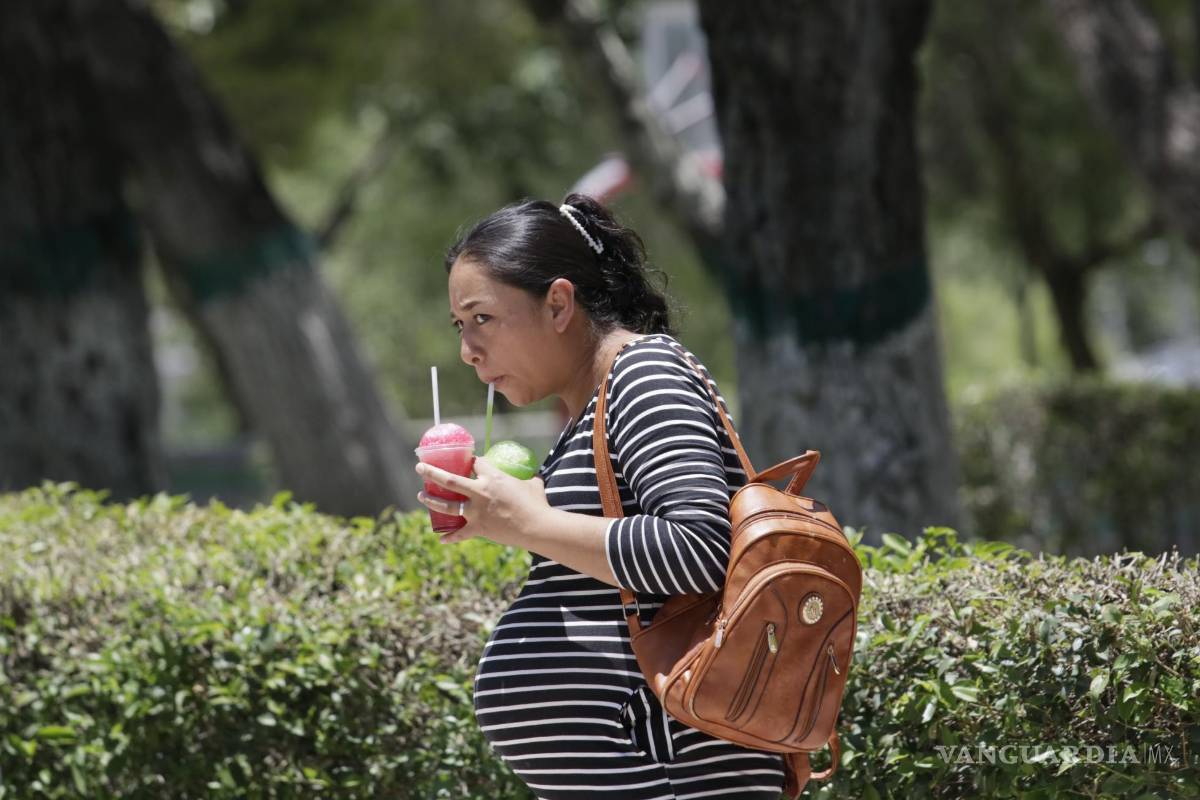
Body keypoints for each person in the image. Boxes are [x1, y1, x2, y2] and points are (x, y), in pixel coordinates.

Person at [415, 193, 786, 799]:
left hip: (677, 774)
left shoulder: (646, 374)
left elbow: (699, 548)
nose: (467, 349)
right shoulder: (590, 410)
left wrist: (529, 523)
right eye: (460, 325)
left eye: (482, 318)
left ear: (558, 303)